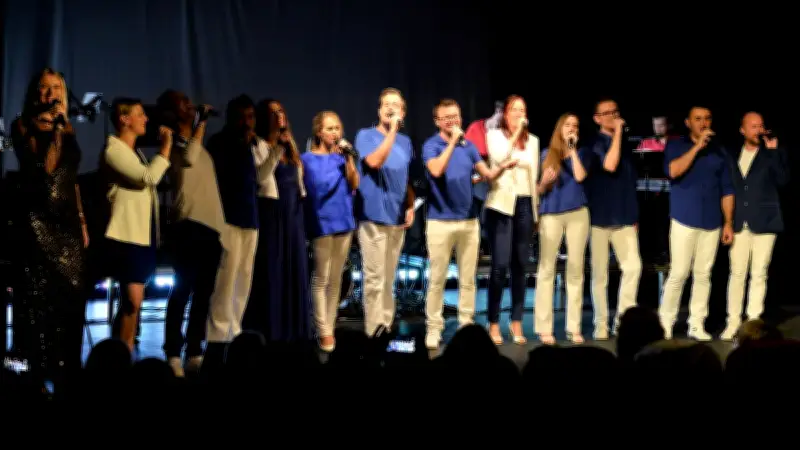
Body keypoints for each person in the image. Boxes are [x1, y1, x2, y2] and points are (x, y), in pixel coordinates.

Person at [8, 68, 89, 393]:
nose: (49, 94)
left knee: (70, 301)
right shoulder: (21, 126)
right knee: (35, 306)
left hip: (67, 229)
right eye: (43, 88)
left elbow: (70, 178)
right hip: (37, 226)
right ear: (34, 94)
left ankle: (67, 373)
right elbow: (48, 170)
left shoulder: (68, 126)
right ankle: (31, 379)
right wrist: (56, 130)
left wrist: (82, 220)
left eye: (55, 88)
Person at [422, 99, 517, 349]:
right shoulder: (431, 145)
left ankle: (466, 324)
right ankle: (434, 327)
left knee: (468, 279)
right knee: (438, 279)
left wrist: (502, 168)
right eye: (446, 118)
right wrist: (453, 142)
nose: (452, 121)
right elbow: (436, 171)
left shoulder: (470, 147)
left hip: (468, 221)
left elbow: (485, 174)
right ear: (437, 121)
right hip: (440, 222)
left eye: (455, 116)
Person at [157, 90, 224, 376]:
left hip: (210, 228)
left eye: (189, 103)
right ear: (173, 112)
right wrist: (202, 122)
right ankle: (173, 350)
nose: (190, 106)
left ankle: (194, 349)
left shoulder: (198, 144)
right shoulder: (171, 145)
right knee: (182, 290)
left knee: (203, 294)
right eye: (183, 104)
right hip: (188, 225)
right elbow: (190, 159)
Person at [102, 97, 172, 351]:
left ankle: (125, 351)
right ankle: (119, 354)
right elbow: (148, 177)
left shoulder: (136, 153)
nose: (146, 119)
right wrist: (165, 149)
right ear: (124, 119)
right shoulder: (114, 149)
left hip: (141, 237)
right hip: (125, 236)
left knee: (135, 303)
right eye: (140, 114)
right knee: (131, 301)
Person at [659, 105, 734, 340]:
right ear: (688, 122)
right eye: (698, 119)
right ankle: (665, 323)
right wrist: (697, 146)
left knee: (703, 274)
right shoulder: (676, 145)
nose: (704, 123)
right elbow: (673, 171)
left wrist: (728, 222)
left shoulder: (720, 151)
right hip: (684, 218)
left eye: (707, 119)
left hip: (711, 221)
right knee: (679, 272)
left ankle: (696, 324)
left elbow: (727, 190)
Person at [242, 98, 311, 343]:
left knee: (295, 270)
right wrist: (276, 150)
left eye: (281, 110)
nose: (278, 115)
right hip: (271, 213)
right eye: (272, 112)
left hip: (293, 216)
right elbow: (260, 178)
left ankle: (295, 332)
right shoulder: (258, 145)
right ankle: (271, 331)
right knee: (272, 270)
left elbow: (299, 183)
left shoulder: (289, 146)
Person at [721, 112, 789, 340]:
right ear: (742, 130)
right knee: (737, 274)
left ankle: (753, 323)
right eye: (753, 126)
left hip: (765, 222)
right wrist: (727, 222)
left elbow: (783, 181)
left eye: (760, 126)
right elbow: (727, 188)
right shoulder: (731, 154)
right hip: (740, 221)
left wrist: (773, 152)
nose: (758, 130)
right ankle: (732, 322)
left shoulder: (771, 154)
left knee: (759, 274)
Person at [354, 87, 415, 336]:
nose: (391, 108)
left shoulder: (406, 141)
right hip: (373, 215)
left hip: (396, 217)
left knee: (389, 279)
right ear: (379, 110)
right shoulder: (366, 135)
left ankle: (386, 328)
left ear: (403, 112)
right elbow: (374, 162)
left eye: (396, 105)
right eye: (386, 104)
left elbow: (405, 177)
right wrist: (391, 132)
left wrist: (410, 204)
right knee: (374, 279)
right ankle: (373, 333)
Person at [205, 95, 262, 351]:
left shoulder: (253, 144)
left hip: (250, 218)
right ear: (231, 117)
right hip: (227, 218)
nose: (246, 122)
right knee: (225, 279)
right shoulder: (220, 142)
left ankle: (235, 329)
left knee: (244, 278)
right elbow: (220, 178)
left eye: (250, 117)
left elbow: (260, 178)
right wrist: (244, 143)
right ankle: (218, 334)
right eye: (242, 116)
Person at [484, 95, 540, 345]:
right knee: (499, 267)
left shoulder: (534, 142)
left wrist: (536, 213)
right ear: (505, 114)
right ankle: (493, 321)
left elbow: (533, 177)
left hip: (525, 204)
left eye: (523, 109)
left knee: (521, 266)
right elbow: (498, 159)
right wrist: (516, 133)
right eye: (514, 110)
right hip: (501, 205)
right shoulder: (494, 135)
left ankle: (516, 321)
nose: (519, 113)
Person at [302, 111, 358, 351]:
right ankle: (322, 328)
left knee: (336, 278)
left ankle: (330, 325)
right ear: (319, 132)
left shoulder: (341, 158)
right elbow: (318, 188)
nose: (335, 133)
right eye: (330, 129)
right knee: (321, 277)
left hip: (344, 220)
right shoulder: (307, 159)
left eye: (337, 128)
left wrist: (349, 160)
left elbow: (354, 184)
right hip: (322, 220)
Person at [586, 99, 642, 339]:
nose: (612, 117)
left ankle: (623, 321)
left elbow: (630, 182)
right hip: (599, 217)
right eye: (607, 114)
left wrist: (634, 215)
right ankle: (600, 324)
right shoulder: (594, 144)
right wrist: (618, 132)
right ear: (597, 118)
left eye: (615, 113)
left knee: (633, 268)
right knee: (600, 275)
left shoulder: (626, 145)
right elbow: (610, 164)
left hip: (625, 217)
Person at [535, 113, 591, 345]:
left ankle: (573, 327)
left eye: (575, 126)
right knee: (547, 269)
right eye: (567, 125)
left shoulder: (582, 153)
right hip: (551, 214)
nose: (571, 129)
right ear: (559, 128)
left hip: (578, 213)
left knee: (576, 270)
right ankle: (544, 328)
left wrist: (572, 152)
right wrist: (545, 183)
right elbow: (538, 190)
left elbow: (579, 176)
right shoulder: (546, 154)